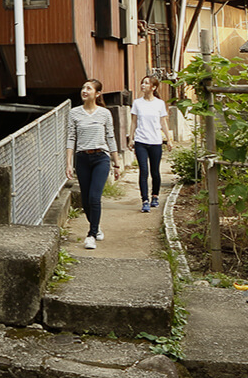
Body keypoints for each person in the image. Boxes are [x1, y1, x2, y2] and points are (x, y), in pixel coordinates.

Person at [66, 78, 121, 250]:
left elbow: (111, 138)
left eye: (89, 88)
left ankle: (91, 234)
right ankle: (96, 227)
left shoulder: (104, 114)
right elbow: (71, 138)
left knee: (94, 198)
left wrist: (116, 163)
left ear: (97, 94)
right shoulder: (74, 113)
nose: (84, 90)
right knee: (85, 201)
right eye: (83, 87)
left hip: (101, 158)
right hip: (82, 158)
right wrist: (68, 164)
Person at [128, 74, 173, 213]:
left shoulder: (159, 103)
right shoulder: (137, 103)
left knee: (155, 171)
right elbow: (134, 121)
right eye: (142, 82)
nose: (143, 85)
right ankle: (145, 200)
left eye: (146, 83)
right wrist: (131, 138)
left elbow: (163, 122)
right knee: (143, 171)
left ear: (153, 87)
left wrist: (169, 139)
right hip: (141, 141)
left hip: (155, 141)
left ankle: (155, 196)